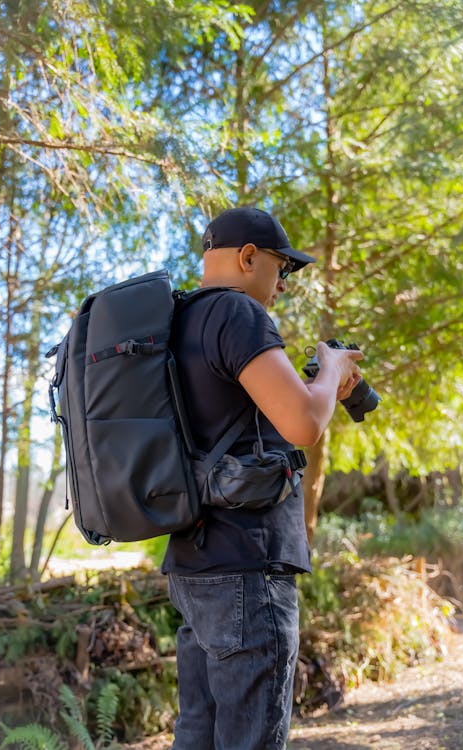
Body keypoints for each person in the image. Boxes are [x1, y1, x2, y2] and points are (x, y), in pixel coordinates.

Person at [161, 206, 363, 750]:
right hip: (247, 568)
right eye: (282, 269)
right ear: (249, 257)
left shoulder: (177, 323)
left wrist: (316, 386)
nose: (282, 286)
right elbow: (302, 424)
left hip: (194, 565)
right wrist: (334, 370)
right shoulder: (237, 314)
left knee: (198, 737)